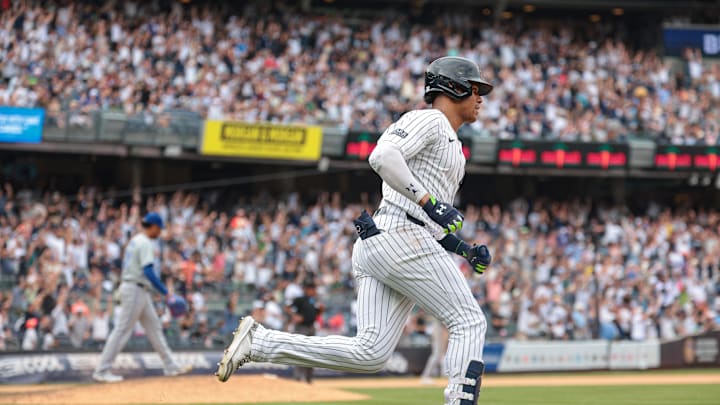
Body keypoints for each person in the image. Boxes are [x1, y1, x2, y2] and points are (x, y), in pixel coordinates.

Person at [215, 56, 493, 405]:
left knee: (371, 352)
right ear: (453, 88)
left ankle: (260, 343)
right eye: (474, 89)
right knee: (469, 321)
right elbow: (382, 156)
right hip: (402, 235)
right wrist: (427, 201)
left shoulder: (452, 144)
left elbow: (432, 220)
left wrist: (463, 249)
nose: (480, 97)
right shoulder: (431, 120)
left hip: (391, 237)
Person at [92, 212, 191, 383]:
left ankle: (170, 365)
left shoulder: (136, 240)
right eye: (159, 228)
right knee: (122, 330)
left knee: (154, 328)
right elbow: (148, 271)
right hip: (135, 289)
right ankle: (102, 370)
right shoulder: (145, 242)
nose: (159, 232)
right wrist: (165, 292)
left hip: (139, 289)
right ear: (152, 226)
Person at [288, 278, 324, 384]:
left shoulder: (314, 300)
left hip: (311, 327)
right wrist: (294, 316)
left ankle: (308, 378)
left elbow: (316, 313)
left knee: (311, 353)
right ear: (307, 289)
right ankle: (298, 377)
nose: (314, 290)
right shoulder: (300, 299)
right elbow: (287, 307)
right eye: (312, 289)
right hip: (301, 328)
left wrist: (321, 310)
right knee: (299, 352)